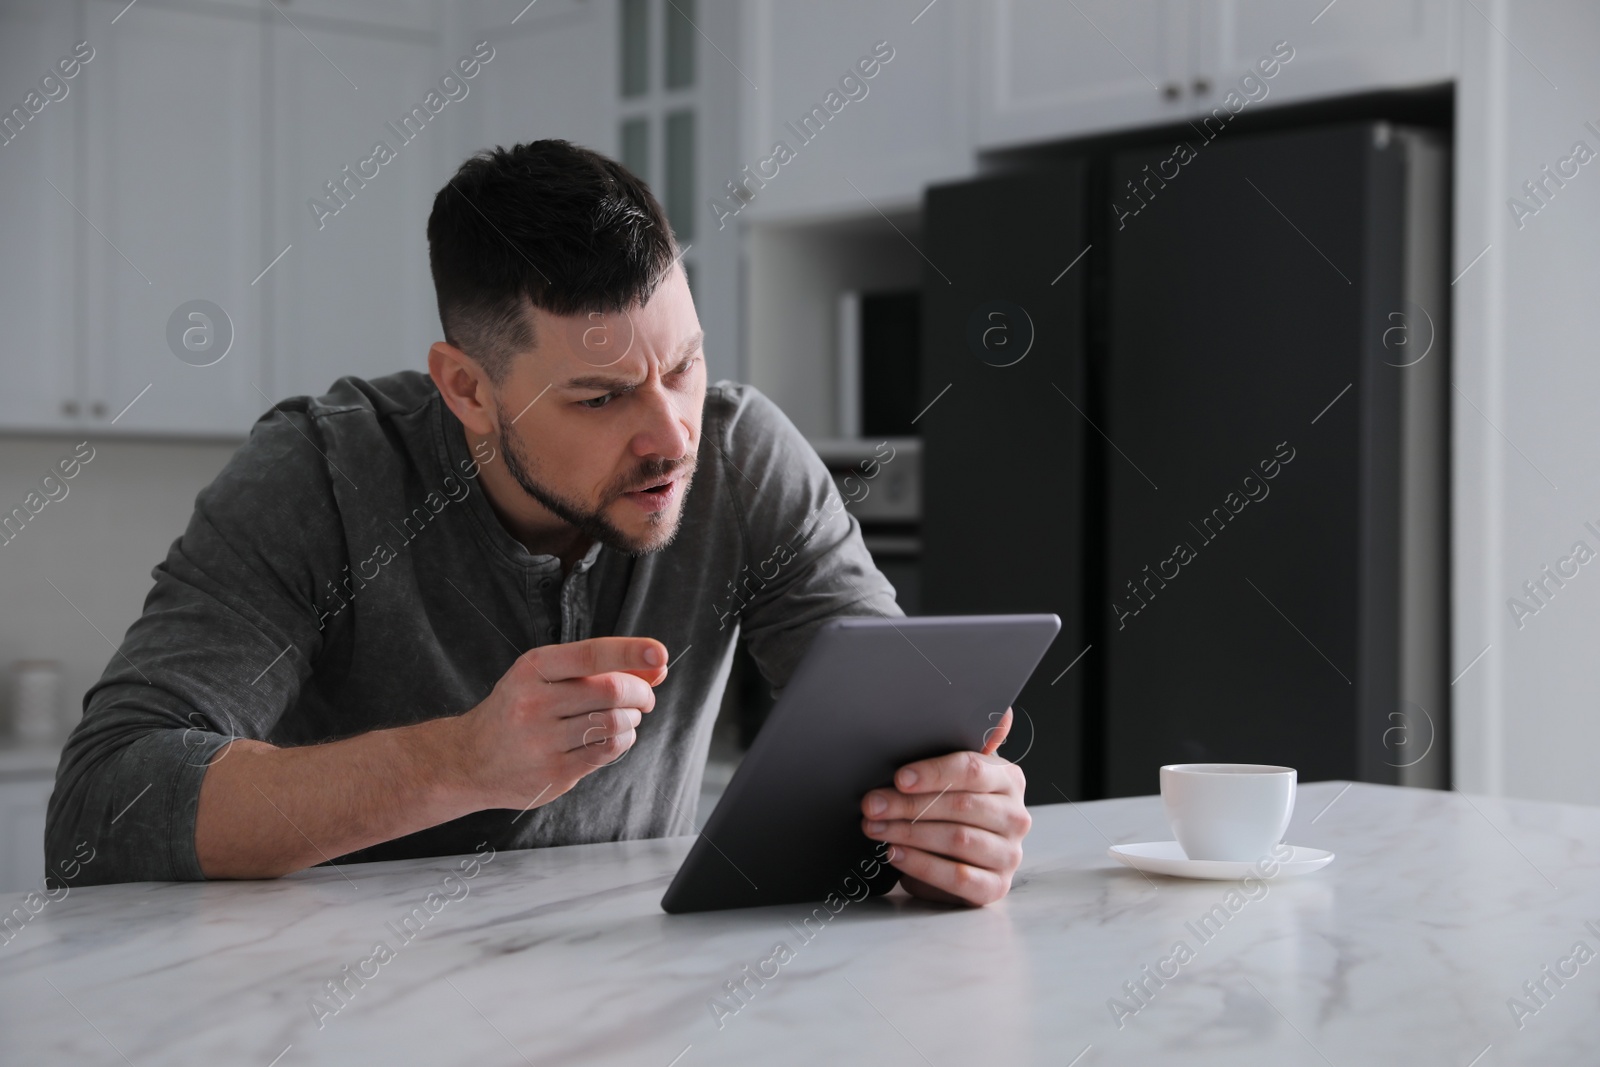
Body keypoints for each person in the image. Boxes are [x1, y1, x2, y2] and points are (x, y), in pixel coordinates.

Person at [45, 140, 1029, 906]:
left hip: (637, 998)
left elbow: (900, 734)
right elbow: (103, 807)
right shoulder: (320, 472)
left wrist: (949, 828)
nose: (669, 435)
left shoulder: (742, 455)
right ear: (467, 389)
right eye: (598, 398)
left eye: (681, 365)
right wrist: (456, 763)